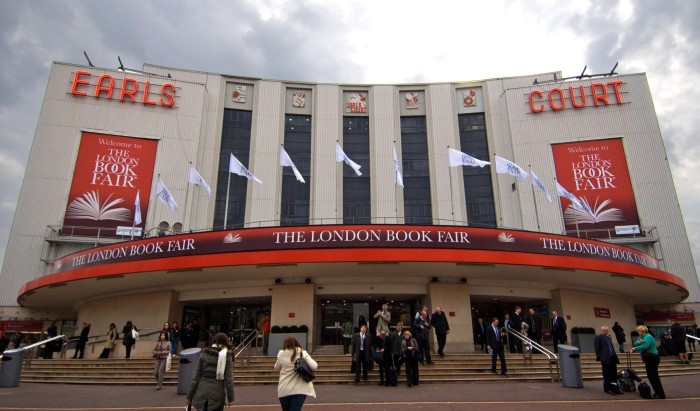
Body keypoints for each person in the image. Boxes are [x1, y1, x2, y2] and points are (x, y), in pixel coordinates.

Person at [186, 332, 234, 410]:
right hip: (217, 397)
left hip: (201, 395)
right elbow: (228, 379)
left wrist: (189, 396)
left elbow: (196, 377)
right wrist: (231, 398)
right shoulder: (226, 356)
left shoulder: (204, 354)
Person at [274, 335, 316, 411]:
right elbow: (314, 366)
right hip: (299, 390)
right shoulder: (302, 353)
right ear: (296, 343)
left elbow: (276, 368)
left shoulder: (281, 354)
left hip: (284, 389)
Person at [631, 325, 665, 399]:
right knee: (651, 376)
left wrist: (634, 348)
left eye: (638, 331)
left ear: (641, 331)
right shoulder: (642, 337)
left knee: (654, 376)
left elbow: (645, 346)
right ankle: (657, 392)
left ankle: (660, 393)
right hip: (648, 358)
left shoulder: (648, 336)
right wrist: (639, 343)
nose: (637, 332)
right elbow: (636, 343)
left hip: (653, 357)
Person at [594, 326, 621, 395]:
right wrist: (601, 358)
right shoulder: (598, 337)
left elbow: (611, 347)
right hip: (605, 359)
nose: (605, 331)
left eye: (606, 330)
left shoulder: (609, 338)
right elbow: (597, 349)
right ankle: (608, 389)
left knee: (614, 375)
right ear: (601, 330)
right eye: (604, 330)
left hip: (612, 358)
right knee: (607, 375)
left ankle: (615, 388)